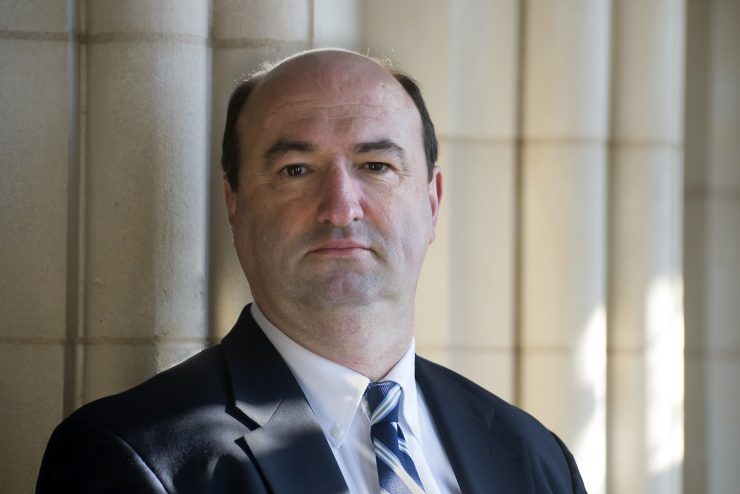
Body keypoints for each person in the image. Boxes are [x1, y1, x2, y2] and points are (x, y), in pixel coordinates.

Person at [37, 48, 587, 493]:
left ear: (433, 201)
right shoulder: (130, 457)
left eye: (377, 165)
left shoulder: (535, 457)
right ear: (235, 203)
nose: (340, 206)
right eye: (295, 169)